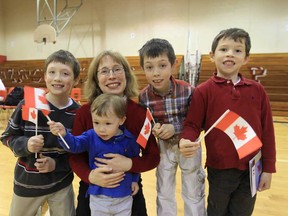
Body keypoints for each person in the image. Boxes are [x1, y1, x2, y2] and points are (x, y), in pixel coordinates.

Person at [179, 28, 276, 216]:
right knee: (217, 211)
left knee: (243, 212)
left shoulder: (258, 90)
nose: (230, 54)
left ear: (246, 58)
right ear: (212, 56)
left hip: (251, 169)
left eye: (237, 50)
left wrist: (268, 168)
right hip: (220, 168)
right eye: (224, 49)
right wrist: (186, 139)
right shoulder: (203, 91)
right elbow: (192, 124)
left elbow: (268, 132)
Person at [69, 50, 160, 216]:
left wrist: (130, 165)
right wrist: (90, 176)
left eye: (117, 69)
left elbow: (153, 156)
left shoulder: (140, 113)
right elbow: (75, 156)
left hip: (129, 188)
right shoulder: (84, 112)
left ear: (126, 74)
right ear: (96, 79)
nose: (112, 76)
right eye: (104, 71)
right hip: (93, 187)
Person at [0, 49, 81, 216]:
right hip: (27, 186)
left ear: (76, 79)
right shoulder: (27, 104)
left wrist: (56, 165)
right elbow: (7, 137)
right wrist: (26, 145)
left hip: (61, 185)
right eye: (52, 72)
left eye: (65, 73)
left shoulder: (78, 113)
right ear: (45, 76)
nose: (57, 78)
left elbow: (81, 152)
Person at [138, 38, 206, 216]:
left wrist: (174, 128)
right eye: (149, 67)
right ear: (143, 69)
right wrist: (155, 128)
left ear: (173, 65)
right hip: (164, 148)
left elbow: (198, 122)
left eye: (162, 65)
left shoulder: (189, 91)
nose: (156, 73)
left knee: (193, 191)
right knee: (164, 191)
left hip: (189, 148)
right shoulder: (143, 97)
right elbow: (149, 123)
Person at [49, 93, 140, 215]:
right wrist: (64, 134)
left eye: (108, 123)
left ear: (121, 120)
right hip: (99, 197)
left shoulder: (129, 139)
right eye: (96, 122)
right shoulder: (90, 136)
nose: (101, 129)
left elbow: (135, 161)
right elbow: (74, 145)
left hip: (124, 196)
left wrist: (134, 180)